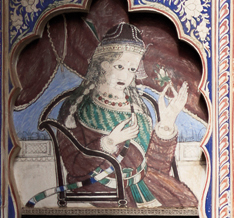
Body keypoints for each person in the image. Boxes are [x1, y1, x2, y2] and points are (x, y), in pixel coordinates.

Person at [50, 22, 196, 208]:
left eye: (132, 69)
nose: (126, 76)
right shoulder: (76, 107)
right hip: (99, 187)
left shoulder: (138, 108)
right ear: (103, 65)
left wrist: (167, 123)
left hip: (142, 184)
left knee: (186, 203)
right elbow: (74, 165)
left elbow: (157, 167)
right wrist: (109, 142)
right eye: (119, 66)